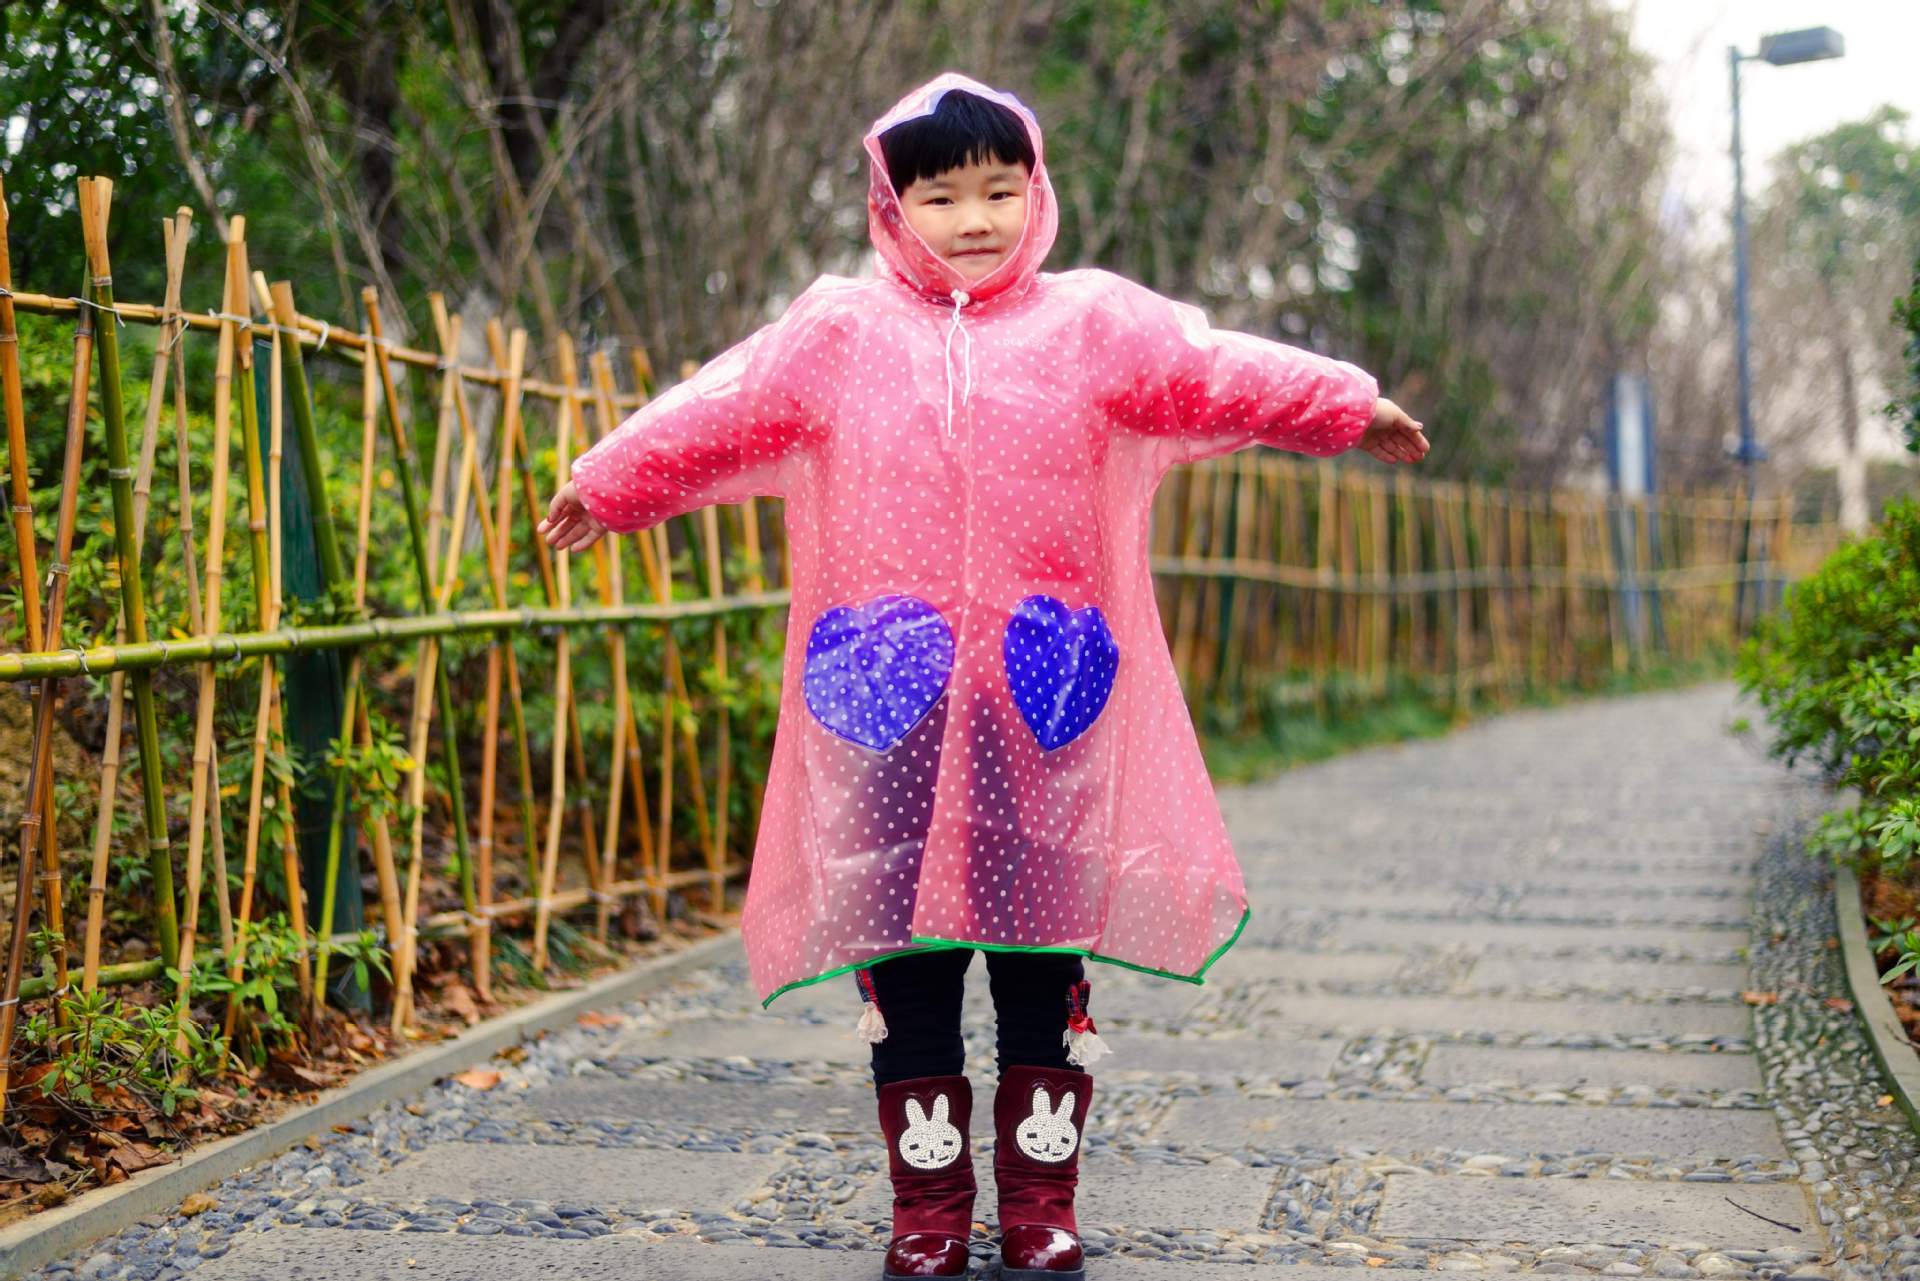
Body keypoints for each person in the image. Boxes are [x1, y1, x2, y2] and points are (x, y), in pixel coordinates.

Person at [540, 72, 1427, 1281]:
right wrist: (609, 481)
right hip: (885, 701)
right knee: (904, 966)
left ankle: (1039, 1205)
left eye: (999, 190)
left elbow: (1218, 368)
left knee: (1037, 961)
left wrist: (1347, 405)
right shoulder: (838, 333)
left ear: (1037, 192)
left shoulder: (1091, 326)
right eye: (941, 193)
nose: (974, 217)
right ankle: (928, 1212)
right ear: (890, 204)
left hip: (1044, 693)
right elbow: (725, 403)